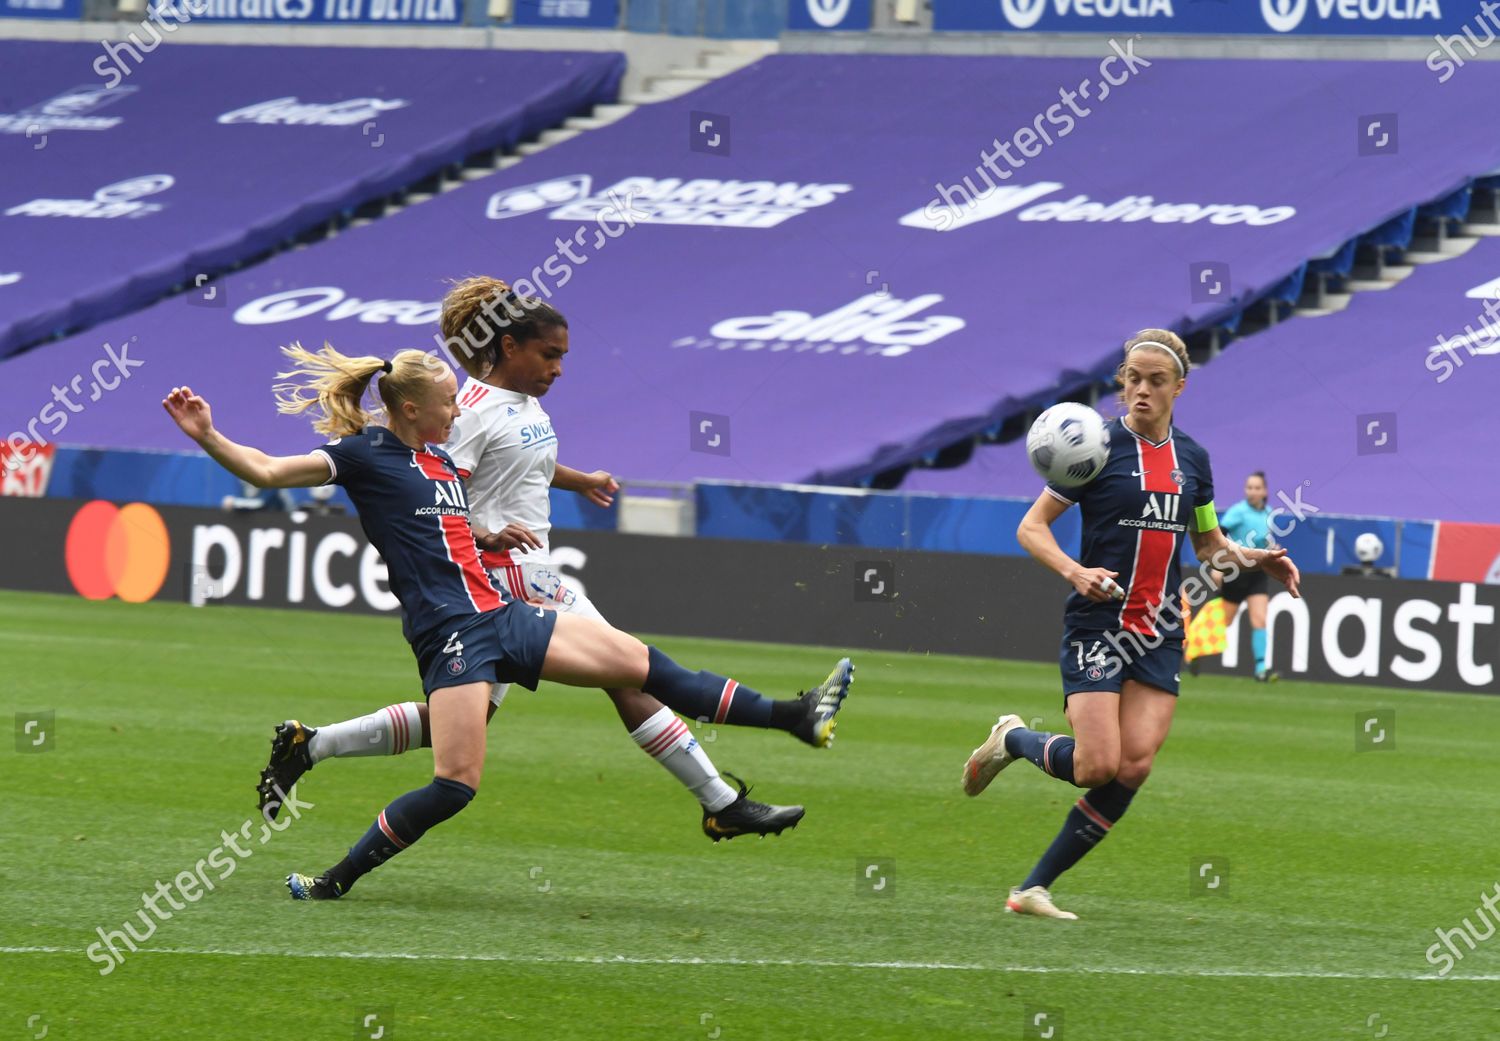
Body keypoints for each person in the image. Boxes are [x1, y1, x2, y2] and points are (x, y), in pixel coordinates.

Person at [163, 345, 853, 901]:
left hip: (503, 612)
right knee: (455, 782)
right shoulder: (363, 455)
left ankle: (793, 715)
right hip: (452, 634)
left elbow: (442, 526)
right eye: (446, 400)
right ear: (410, 408)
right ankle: (334, 879)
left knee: (645, 666)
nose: (458, 405)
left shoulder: (437, 456)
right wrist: (208, 435)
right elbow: (264, 469)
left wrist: (486, 536)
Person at [257, 281, 817, 843]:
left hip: (523, 572)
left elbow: (524, 461)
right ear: (507, 347)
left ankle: (314, 743)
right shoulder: (468, 412)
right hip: (511, 578)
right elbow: (435, 485)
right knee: (635, 674)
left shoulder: (519, 406)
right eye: (550, 355)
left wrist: (579, 479)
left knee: (466, 722)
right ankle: (726, 794)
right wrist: (482, 540)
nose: (558, 369)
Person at [959, 330, 1300, 920]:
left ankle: (1033, 889)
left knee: (1134, 765)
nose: (1140, 389)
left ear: (1179, 388)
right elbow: (1031, 528)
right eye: (1131, 379)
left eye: (1155, 381)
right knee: (1096, 766)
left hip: (1161, 628)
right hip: (1099, 626)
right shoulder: (1093, 448)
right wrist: (1075, 572)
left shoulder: (1193, 459)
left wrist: (1257, 557)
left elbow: (1210, 544)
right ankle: (1013, 738)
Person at [1216, 471, 1278, 681]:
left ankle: (1261, 669)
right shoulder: (1238, 512)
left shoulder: (1268, 513)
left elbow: (1265, 542)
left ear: (1264, 491)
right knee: (1224, 623)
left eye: (1256, 488)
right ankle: (1193, 650)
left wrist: (1273, 549)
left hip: (1257, 572)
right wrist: (1216, 567)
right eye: (1249, 487)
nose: (1252, 491)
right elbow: (1217, 536)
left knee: (1259, 619)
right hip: (1236, 572)